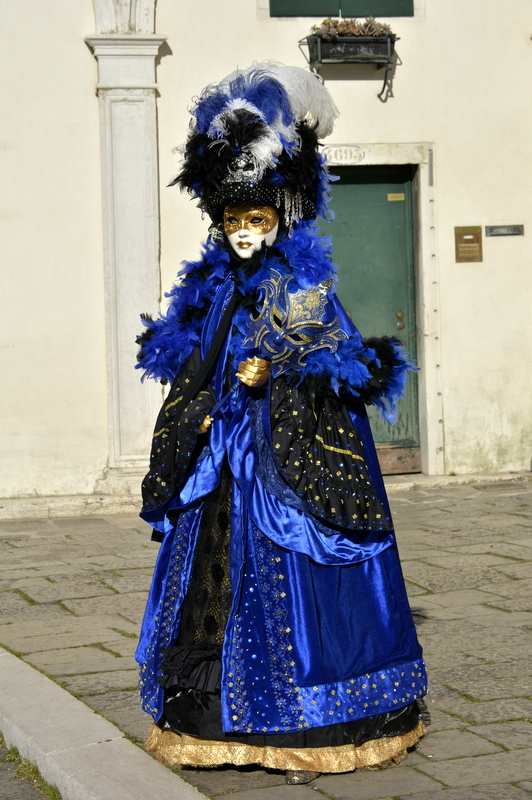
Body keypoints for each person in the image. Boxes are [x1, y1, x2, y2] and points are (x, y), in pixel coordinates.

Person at [135, 63, 428, 784]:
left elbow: (339, 366)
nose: (243, 234)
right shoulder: (213, 290)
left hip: (287, 466)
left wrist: (278, 376)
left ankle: (306, 725)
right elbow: (191, 364)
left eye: (257, 220)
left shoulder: (304, 290)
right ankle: (210, 722)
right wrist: (203, 398)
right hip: (221, 465)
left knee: (293, 575)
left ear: (281, 216)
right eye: (233, 221)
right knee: (209, 578)